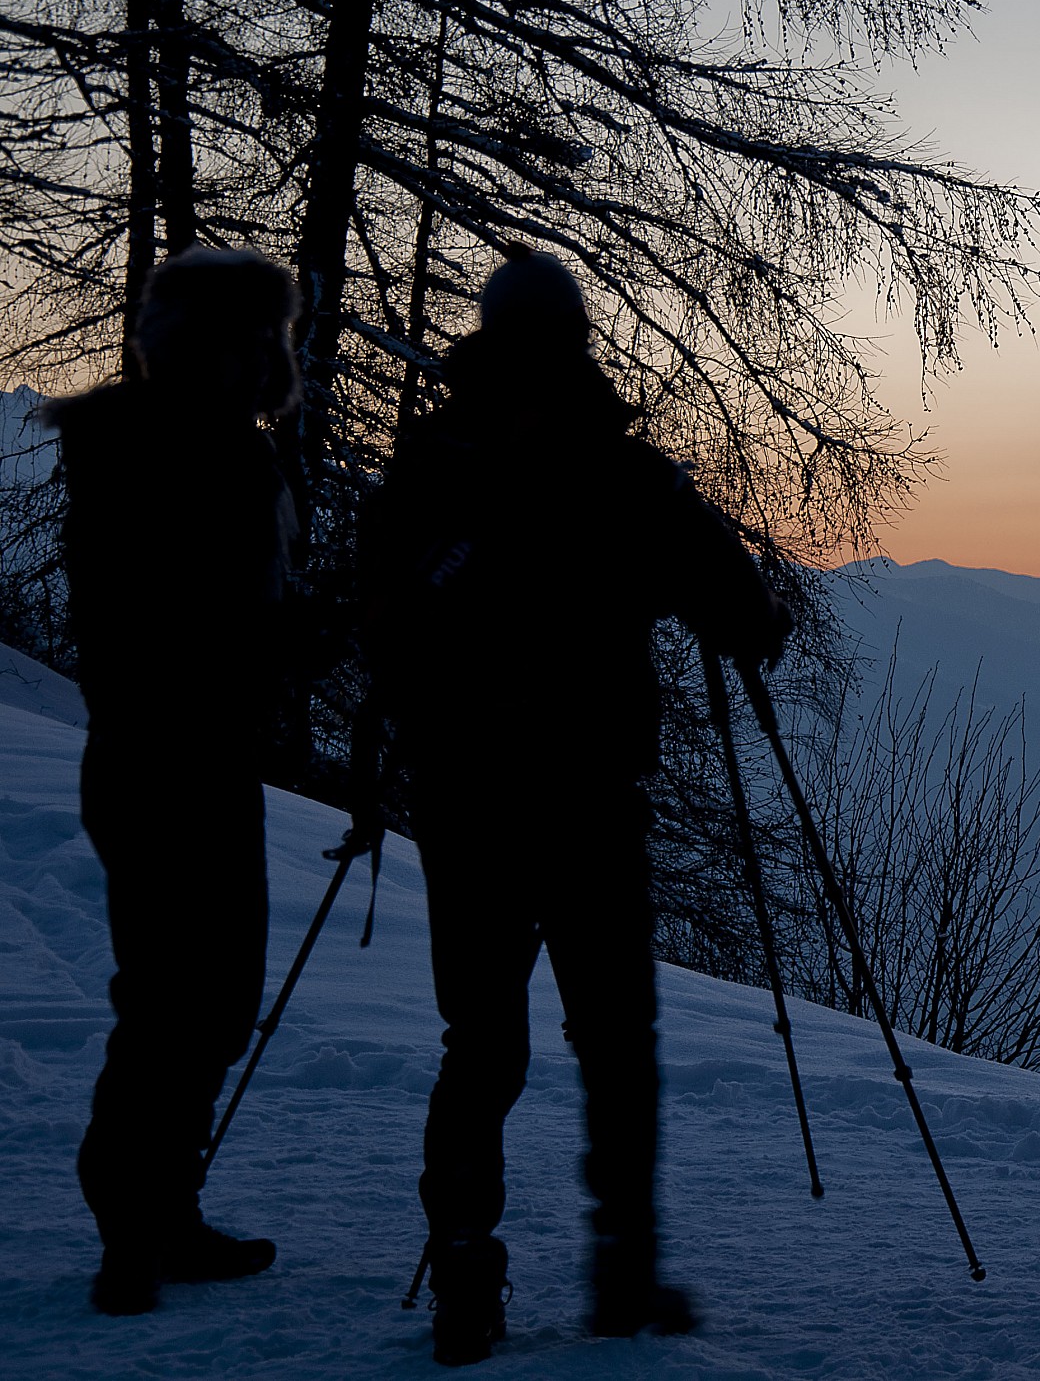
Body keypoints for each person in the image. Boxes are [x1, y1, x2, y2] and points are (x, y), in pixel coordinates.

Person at [361, 248, 788, 1367]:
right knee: (614, 1041)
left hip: (465, 805)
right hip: (590, 804)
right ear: (580, 342)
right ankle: (625, 1272)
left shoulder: (431, 467)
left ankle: (465, 1264)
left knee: (480, 1043)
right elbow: (748, 618)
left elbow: (381, 619)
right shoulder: (627, 476)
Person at [49, 248, 302, 1315]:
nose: (262, 361)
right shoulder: (206, 459)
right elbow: (211, 624)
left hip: (147, 756)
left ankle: (150, 1211)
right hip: (181, 759)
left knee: (185, 995)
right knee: (189, 996)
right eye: (252, 340)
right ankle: (137, 1221)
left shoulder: (132, 446)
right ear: (219, 345)